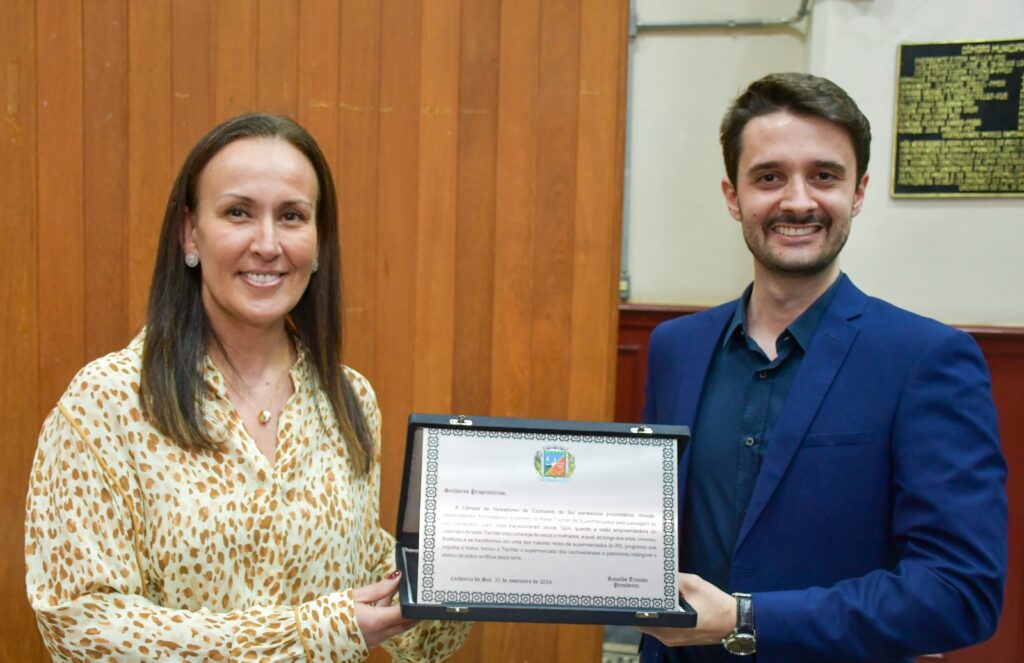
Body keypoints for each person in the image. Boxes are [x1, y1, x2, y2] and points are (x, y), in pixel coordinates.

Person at [25, 113, 471, 661]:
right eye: (238, 212)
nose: (267, 243)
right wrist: (312, 634)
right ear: (190, 232)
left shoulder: (350, 399)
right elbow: (82, 627)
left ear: (318, 240)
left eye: (291, 216)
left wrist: (476, 569)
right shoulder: (106, 402)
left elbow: (360, 571)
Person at [637, 73, 1007, 662]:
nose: (798, 200)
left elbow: (959, 592)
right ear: (733, 196)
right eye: (769, 177)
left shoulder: (926, 359)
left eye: (824, 176)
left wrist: (746, 620)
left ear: (857, 193)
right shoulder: (675, 348)